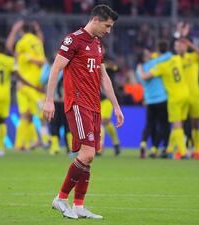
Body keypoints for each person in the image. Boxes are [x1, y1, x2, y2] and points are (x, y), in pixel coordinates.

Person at [43, 4, 124, 219]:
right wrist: (49, 100)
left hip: (94, 106)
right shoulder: (74, 39)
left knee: (88, 157)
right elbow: (56, 68)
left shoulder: (97, 45)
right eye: (107, 26)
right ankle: (60, 199)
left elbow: (104, 78)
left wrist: (116, 106)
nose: (109, 30)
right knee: (87, 153)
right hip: (78, 104)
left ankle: (79, 205)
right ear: (96, 20)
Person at [138, 39, 189, 160]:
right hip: (186, 93)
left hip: (174, 97)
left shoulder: (160, 66)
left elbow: (145, 76)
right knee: (178, 124)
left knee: (176, 125)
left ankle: (183, 152)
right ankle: (169, 150)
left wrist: (139, 67)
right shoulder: (175, 58)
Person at [0, 39, 40, 156]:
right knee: (2, 121)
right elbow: (19, 77)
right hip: (4, 94)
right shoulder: (10, 61)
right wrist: (33, 86)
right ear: (4, 49)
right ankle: (1, 148)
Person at [6, 21, 48, 151]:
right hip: (38, 84)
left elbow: (10, 49)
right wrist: (38, 29)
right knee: (33, 114)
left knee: (26, 114)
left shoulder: (22, 43)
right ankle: (37, 141)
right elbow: (43, 60)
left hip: (25, 84)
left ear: (21, 31)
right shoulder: (38, 42)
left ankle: (22, 144)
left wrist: (13, 30)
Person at [135, 44, 171, 158]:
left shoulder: (138, 70)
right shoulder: (154, 64)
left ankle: (143, 143)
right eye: (148, 53)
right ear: (145, 56)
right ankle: (155, 148)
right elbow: (168, 56)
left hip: (149, 100)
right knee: (163, 126)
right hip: (161, 99)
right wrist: (157, 55)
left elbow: (142, 82)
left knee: (149, 125)